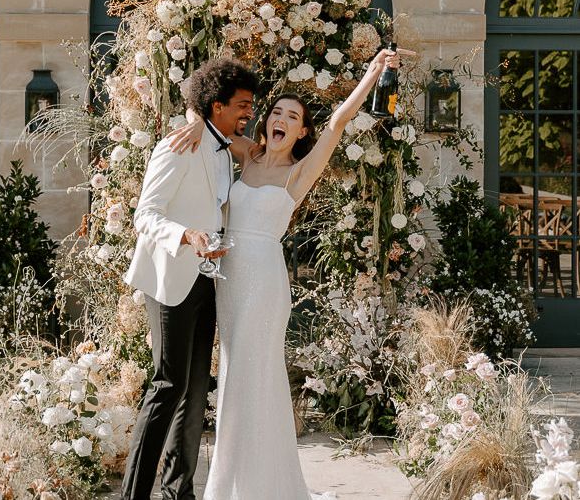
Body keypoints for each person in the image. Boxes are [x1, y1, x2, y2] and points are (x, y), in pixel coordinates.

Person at [169, 47, 401, 499]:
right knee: (234, 375)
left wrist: (372, 74)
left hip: (265, 284)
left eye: (291, 116)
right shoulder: (248, 155)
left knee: (256, 376)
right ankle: (234, 482)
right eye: (276, 111)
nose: (280, 119)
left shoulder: (299, 173)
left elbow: (337, 122)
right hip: (229, 282)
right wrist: (197, 119)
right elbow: (210, 122)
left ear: (301, 131)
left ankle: (261, 488)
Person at [121, 58, 259, 500]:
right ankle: (133, 494)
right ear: (216, 105)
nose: (248, 113)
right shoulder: (178, 145)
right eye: (241, 105)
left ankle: (178, 490)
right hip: (171, 278)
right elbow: (145, 215)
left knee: (196, 390)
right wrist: (186, 235)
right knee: (167, 386)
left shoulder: (220, 142)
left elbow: (253, 151)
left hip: (207, 279)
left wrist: (202, 123)